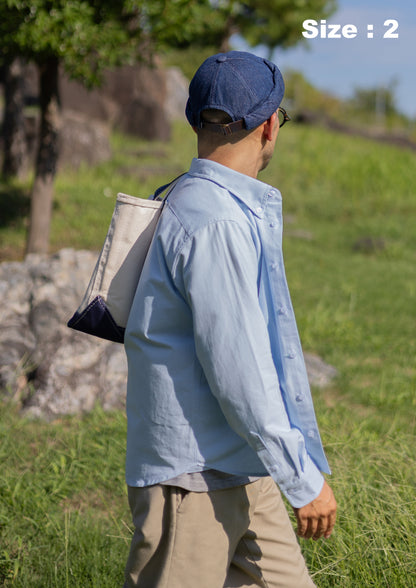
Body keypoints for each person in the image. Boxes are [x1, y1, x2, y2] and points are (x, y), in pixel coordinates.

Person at [123, 51, 336, 588]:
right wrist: (302, 478)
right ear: (270, 126)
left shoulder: (206, 204)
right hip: (193, 478)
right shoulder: (214, 220)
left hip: (241, 465)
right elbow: (238, 370)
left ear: (196, 119)